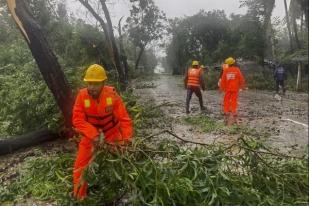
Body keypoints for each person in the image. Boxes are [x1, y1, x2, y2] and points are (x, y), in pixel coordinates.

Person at [72, 64, 133, 200]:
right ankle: (79, 198)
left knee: (120, 162)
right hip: (90, 137)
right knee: (79, 167)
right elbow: (77, 120)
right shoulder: (82, 96)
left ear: (103, 83)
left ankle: (120, 192)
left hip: (112, 134)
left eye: (96, 84)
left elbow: (124, 120)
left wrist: (127, 140)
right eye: (90, 83)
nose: (92, 87)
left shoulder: (112, 95)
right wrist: (93, 135)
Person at [219, 57, 245, 124]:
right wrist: (242, 86)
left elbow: (223, 80)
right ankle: (233, 112)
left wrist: (221, 89)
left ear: (228, 64)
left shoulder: (226, 70)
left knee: (226, 100)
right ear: (233, 63)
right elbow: (241, 79)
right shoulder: (237, 70)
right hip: (235, 88)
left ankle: (226, 111)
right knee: (234, 100)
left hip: (227, 89)